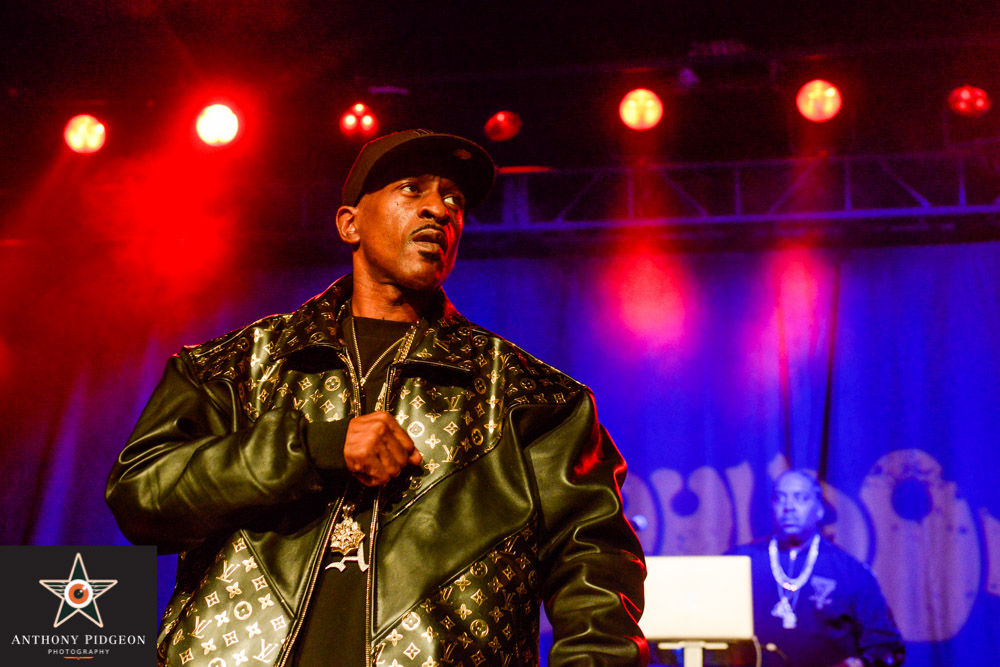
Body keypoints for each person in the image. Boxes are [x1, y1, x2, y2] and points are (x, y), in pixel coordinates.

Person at [106, 129, 648, 667]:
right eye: (412, 189)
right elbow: (141, 498)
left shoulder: (536, 401)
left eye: (453, 199)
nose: (439, 209)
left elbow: (596, 576)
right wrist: (314, 448)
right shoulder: (233, 367)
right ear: (350, 224)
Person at [732, 470, 905, 667]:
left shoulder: (851, 572)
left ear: (820, 509)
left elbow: (886, 646)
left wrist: (858, 663)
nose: (789, 507)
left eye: (800, 498)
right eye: (780, 499)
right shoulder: (740, 562)